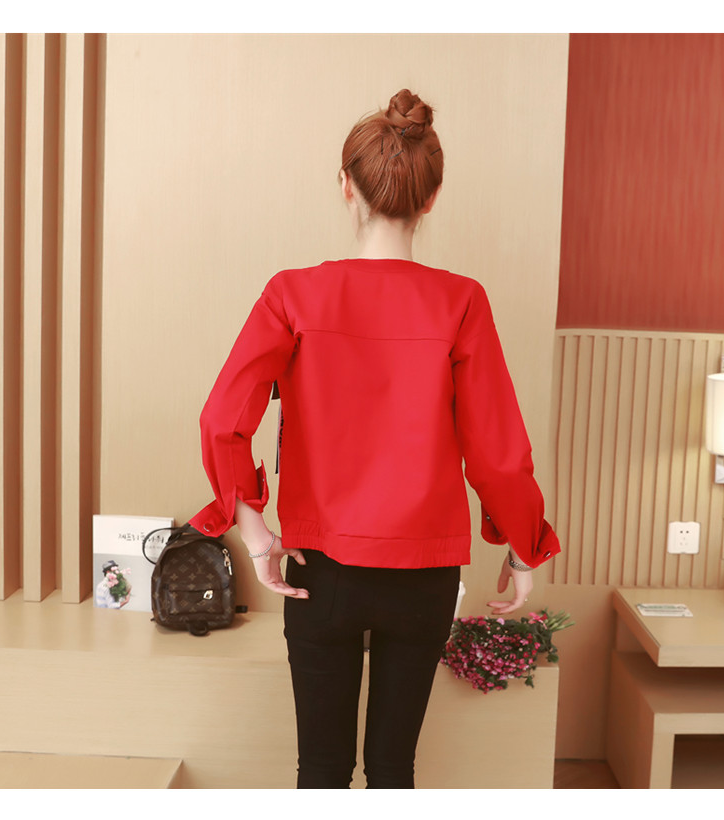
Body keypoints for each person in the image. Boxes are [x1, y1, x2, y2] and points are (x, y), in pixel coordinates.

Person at [189, 89, 560, 789]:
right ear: (432, 197)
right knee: (394, 769)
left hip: (322, 569)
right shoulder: (462, 302)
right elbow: (498, 455)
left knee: (321, 771)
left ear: (345, 185)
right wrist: (523, 546)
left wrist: (257, 535)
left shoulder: (292, 294)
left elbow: (221, 420)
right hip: (424, 575)